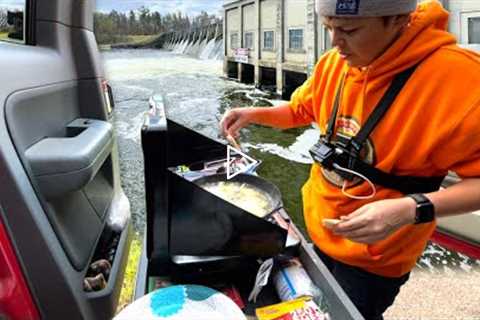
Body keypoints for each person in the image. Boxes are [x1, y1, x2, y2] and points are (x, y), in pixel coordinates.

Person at [220, 0, 480, 319]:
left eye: (349, 30)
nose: (334, 43)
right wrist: (254, 114)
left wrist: (409, 210)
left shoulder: (462, 81)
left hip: (375, 259)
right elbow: (302, 110)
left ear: (398, 19)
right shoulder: (335, 63)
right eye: (329, 28)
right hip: (317, 233)